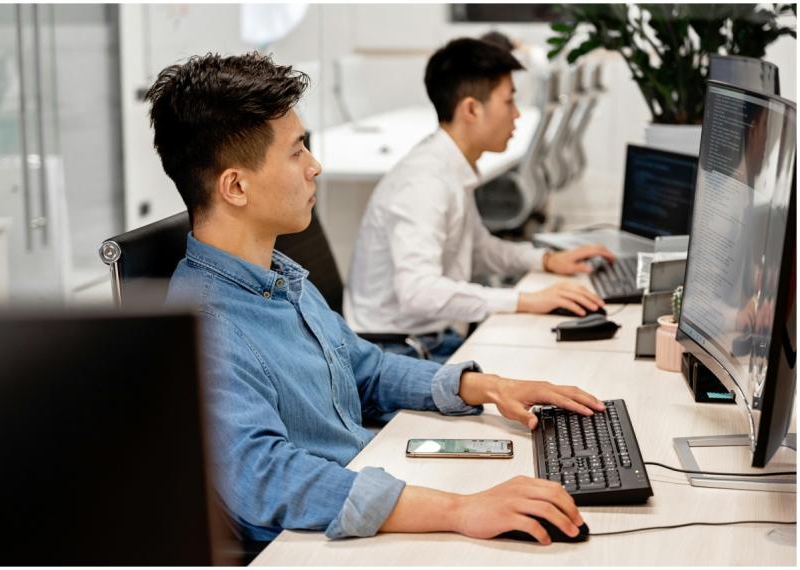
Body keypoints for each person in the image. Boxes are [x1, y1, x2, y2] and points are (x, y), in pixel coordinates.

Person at [148, 52, 606, 549]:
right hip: (317, 544)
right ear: (236, 186)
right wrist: (459, 509)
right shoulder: (205, 327)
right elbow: (268, 479)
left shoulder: (277, 277)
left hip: (373, 484)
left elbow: (363, 369)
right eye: (297, 151)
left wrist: (489, 386)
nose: (314, 166)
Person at [345, 38, 614, 361]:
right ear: (471, 109)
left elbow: (476, 249)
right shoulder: (424, 182)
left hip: (427, 338)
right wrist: (524, 299)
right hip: (393, 351)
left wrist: (545, 261)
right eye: (509, 101)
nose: (516, 114)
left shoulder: (451, 165)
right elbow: (418, 293)